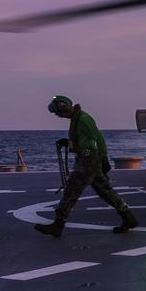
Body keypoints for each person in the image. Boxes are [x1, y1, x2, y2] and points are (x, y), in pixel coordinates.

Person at [35, 95, 138, 237]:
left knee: (71, 190)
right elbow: (85, 140)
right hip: (89, 159)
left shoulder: (83, 119)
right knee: (105, 191)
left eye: (58, 112)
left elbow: (94, 140)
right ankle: (128, 218)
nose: (58, 116)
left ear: (64, 107)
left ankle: (58, 225)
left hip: (88, 160)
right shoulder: (76, 119)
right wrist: (68, 142)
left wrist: (101, 158)